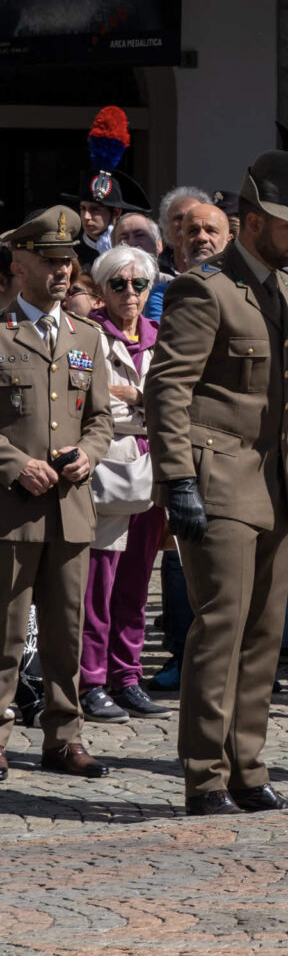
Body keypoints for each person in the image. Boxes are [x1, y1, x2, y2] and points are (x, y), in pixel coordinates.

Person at [144, 151, 288, 816]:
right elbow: (168, 389)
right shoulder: (204, 289)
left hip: (276, 484)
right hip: (217, 478)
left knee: (265, 636)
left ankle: (248, 768)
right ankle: (205, 777)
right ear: (254, 222)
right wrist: (177, 478)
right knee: (221, 629)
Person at [0, 207, 114, 780]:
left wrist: (90, 452)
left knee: (67, 632)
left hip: (70, 510)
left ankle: (64, 737)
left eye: (67, 260)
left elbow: (101, 418)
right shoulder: (1, 334)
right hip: (11, 511)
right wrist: (15, 463)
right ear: (19, 265)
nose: (62, 271)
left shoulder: (86, 336)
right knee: (5, 633)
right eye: (49, 261)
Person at [78, 245, 166, 722]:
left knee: (136, 584)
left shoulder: (162, 338)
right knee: (99, 585)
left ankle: (126, 676)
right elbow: (90, 406)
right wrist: (146, 405)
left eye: (139, 283)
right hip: (107, 473)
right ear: (101, 289)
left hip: (151, 476)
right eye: (118, 283)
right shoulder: (86, 334)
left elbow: (180, 402)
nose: (129, 292)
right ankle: (91, 680)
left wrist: (134, 396)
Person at [158, 187, 213, 272]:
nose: (185, 223)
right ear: (166, 228)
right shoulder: (154, 271)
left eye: (192, 216)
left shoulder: (220, 269)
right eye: (179, 218)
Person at [173, 201, 230, 275]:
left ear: (229, 241)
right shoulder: (169, 283)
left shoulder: (243, 281)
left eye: (211, 231)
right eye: (193, 231)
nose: (201, 237)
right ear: (183, 241)